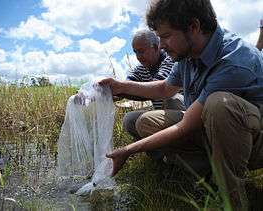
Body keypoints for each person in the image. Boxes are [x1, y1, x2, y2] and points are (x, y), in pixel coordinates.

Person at [99, 0, 263, 210]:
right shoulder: (188, 52)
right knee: (144, 122)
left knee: (219, 105)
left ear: (193, 27)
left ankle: (232, 200)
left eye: (166, 36)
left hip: (253, 141)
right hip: (211, 128)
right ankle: (208, 171)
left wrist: (129, 150)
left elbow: (185, 126)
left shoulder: (234, 59)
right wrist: (120, 85)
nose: (162, 45)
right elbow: (164, 89)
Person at [121, 29, 184, 140]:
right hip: (160, 113)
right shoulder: (141, 68)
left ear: (156, 47)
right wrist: (104, 91)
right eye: (135, 52)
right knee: (129, 119)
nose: (138, 56)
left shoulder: (170, 60)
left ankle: (182, 148)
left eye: (141, 51)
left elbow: (161, 89)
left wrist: (121, 88)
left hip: (184, 112)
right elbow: (126, 84)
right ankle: (160, 154)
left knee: (171, 99)